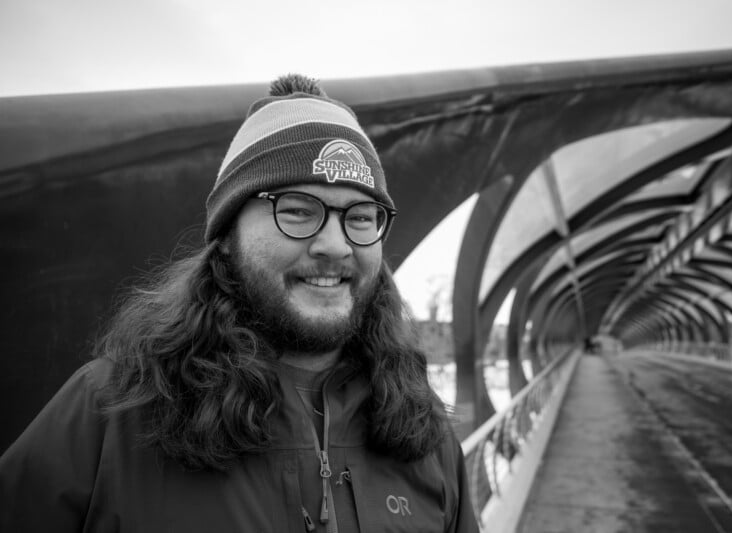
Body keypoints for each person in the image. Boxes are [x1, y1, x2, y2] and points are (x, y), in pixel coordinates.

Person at [0, 74, 479, 533]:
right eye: (297, 210)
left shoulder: (426, 436)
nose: (336, 246)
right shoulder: (110, 417)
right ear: (227, 238)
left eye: (360, 217)